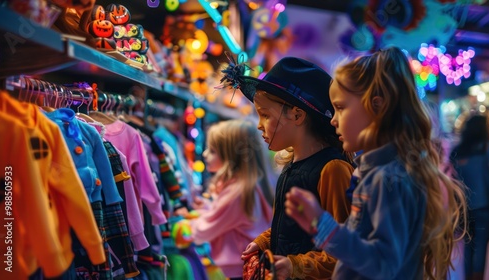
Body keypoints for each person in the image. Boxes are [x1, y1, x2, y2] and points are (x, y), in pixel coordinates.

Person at [284, 46, 468, 280]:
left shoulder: (387, 179)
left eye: (340, 108)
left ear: (377, 107)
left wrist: (323, 226)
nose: (333, 120)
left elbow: (383, 264)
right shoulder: (373, 172)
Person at [220, 56, 355, 279]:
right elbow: (290, 228)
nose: (259, 125)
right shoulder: (292, 165)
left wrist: (296, 266)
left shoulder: (333, 170)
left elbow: (343, 252)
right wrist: (263, 242)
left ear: (297, 115)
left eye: (265, 115)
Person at [189, 119, 273, 280]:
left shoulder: (237, 192)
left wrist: (181, 225)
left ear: (232, 156)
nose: (205, 155)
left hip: (234, 273)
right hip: (242, 269)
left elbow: (202, 231)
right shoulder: (246, 186)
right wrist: (208, 208)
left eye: (212, 150)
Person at [450, 114, 489, 280]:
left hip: (464, 208)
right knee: (481, 246)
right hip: (485, 206)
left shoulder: (458, 151)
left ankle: (468, 277)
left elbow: (452, 181)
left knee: (468, 246)